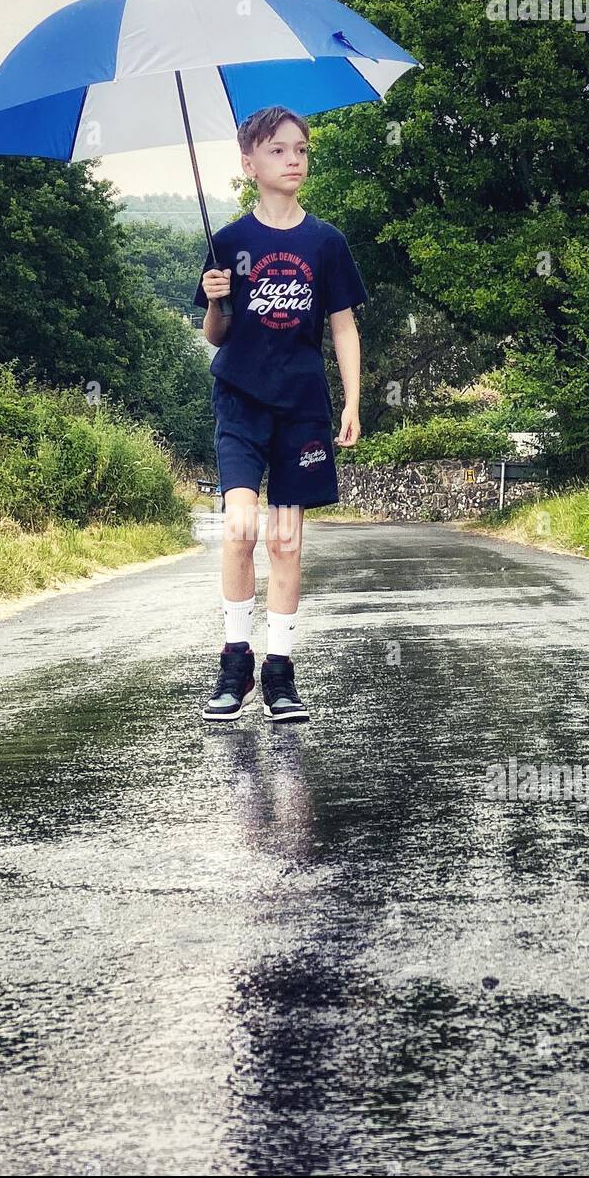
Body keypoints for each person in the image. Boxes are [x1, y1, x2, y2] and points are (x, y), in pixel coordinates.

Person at [193, 105, 368, 724]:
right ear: (250, 163)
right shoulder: (230, 243)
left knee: (286, 542)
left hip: (301, 407)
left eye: (300, 150)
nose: (293, 160)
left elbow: (343, 327)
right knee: (240, 527)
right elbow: (216, 335)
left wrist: (351, 400)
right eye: (278, 151)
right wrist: (216, 301)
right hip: (240, 398)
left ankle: (279, 672)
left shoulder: (326, 242)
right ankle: (234, 662)